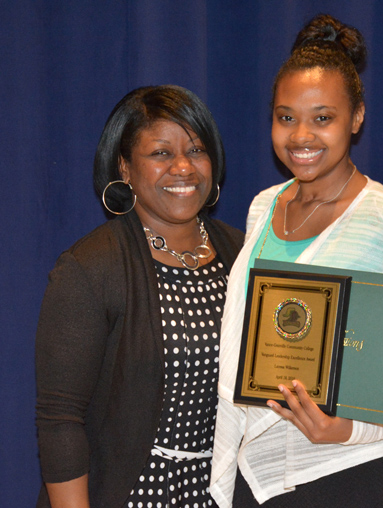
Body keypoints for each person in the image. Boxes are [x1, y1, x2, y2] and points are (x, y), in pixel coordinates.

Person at [210, 14, 383, 508]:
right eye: (286, 117)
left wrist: (349, 428)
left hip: (350, 474)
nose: (301, 135)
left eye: (322, 118)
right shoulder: (263, 206)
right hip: (257, 475)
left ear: (357, 117)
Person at [35, 85, 244, 508]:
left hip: (225, 494)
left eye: (197, 150)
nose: (184, 167)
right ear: (125, 168)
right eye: (161, 153)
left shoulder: (243, 254)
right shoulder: (91, 267)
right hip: (132, 494)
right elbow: (60, 421)